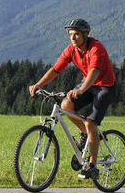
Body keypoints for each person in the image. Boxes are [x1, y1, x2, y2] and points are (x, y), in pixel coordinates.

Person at [28, 18, 116, 181]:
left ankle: (92, 165)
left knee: (91, 122)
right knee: (66, 104)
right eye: (70, 34)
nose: (73, 38)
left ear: (85, 34)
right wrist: (38, 85)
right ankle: (86, 134)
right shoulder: (71, 50)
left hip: (104, 87)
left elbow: (94, 72)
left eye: (76, 34)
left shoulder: (97, 48)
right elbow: (55, 69)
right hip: (88, 85)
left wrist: (81, 89)